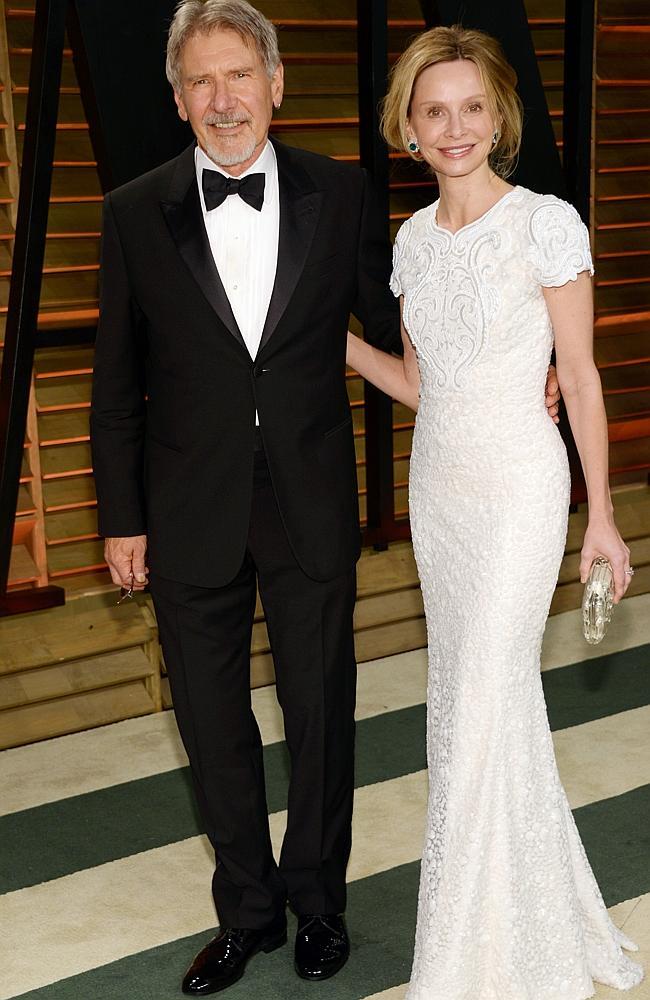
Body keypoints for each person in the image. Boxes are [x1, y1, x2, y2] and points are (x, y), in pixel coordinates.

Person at [91, 1, 559, 994]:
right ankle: (246, 911)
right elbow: (113, 380)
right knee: (211, 724)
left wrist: (531, 373)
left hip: (308, 499)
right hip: (184, 510)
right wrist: (121, 517)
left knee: (319, 716)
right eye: (201, 82)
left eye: (238, 76)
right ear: (178, 100)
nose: (223, 100)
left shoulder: (340, 194)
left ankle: (316, 906)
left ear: (275, 84)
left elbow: (414, 322)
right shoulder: (134, 210)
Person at [346, 24, 644, 1000]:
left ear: (496, 116)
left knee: (478, 699)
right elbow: (421, 385)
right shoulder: (407, 245)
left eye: (470, 107)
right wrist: (339, 346)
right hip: (439, 493)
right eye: (433, 110)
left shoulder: (543, 223)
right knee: (482, 712)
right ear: (408, 126)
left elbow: (584, 379)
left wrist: (598, 513)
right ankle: (527, 920)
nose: (454, 126)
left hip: (521, 486)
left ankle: (457, 968)